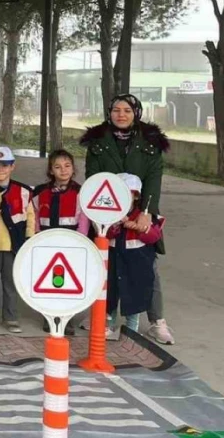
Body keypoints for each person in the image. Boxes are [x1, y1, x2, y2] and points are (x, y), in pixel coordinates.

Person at [80, 93, 173, 345]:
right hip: (107, 214)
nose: (121, 115)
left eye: (127, 111)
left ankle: (157, 321)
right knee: (107, 269)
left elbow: (154, 176)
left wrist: (146, 213)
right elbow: (93, 178)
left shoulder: (151, 142)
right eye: (116, 110)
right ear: (109, 113)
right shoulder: (98, 142)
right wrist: (104, 213)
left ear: (136, 114)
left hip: (139, 212)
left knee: (148, 269)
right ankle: (103, 316)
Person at [0, 147, 35, 334]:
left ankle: (11, 318)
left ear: (13, 167)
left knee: (11, 283)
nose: (1, 169)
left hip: (14, 245)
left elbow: (30, 218)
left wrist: (29, 241)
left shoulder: (24, 191)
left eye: (5, 165)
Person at [106, 173, 164, 335]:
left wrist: (141, 228)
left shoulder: (144, 215)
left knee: (134, 292)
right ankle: (109, 321)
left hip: (136, 262)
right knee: (110, 292)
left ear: (136, 196)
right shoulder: (108, 212)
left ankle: (132, 326)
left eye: (128, 194)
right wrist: (115, 225)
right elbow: (103, 233)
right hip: (114, 259)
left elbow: (154, 236)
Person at [32, 150, 89, 235]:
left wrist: (79, 241)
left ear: (73, 169)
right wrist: (37, 236)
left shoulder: (81, 192)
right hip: (44, 240)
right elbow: (35, 218)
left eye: (67, 166)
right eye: (57, 167)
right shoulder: (39, 192)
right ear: (51, 171)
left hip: (72, 241)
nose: (63, 170)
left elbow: (84, 223)